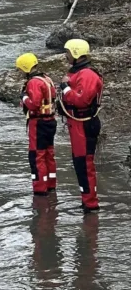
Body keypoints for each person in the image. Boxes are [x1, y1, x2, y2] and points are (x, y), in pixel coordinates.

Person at [59, 39, 102, 212]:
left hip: (84, 124)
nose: (66, 55)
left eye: (68, 52)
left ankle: (91, 205)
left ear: (76, 53)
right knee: (80, 163)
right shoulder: (77, 72)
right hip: (76, 124)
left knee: (84, 163)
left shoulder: (87, 74)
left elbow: (81, 99)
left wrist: (65, 88)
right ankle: (87, 200)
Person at [16, 52, 57, 195]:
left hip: (38, 123)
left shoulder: (33, 82)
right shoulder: (46, 78)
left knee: (37, 156)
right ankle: (51, 185)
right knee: (48, 154)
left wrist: (25, 97)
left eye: (20, 69)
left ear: (25, 68)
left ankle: (40, 189)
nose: (20, 72)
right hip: (50, 122)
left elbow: (34, 105)